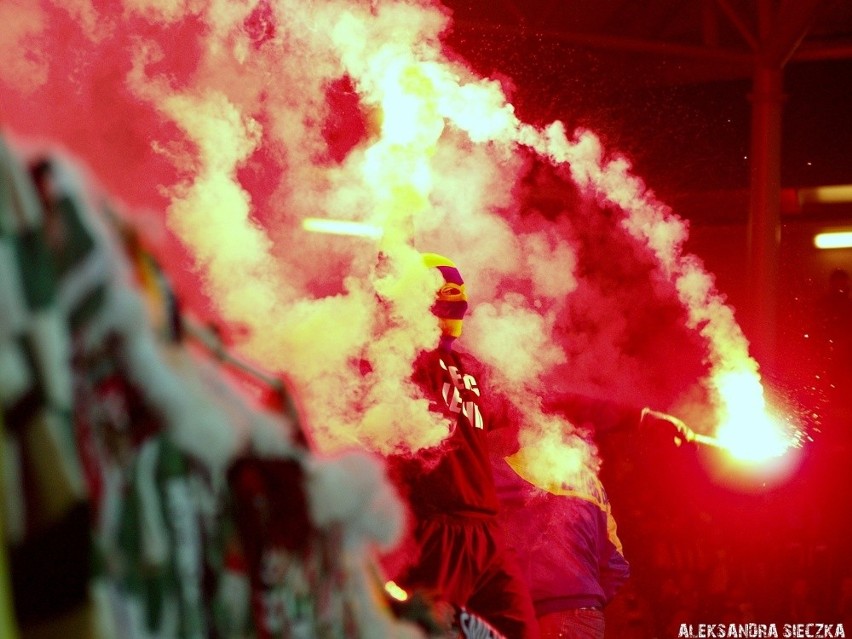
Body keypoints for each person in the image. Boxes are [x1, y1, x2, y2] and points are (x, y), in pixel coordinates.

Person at [384, 252, 539, 639]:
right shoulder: (404, 362)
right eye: (445, 301)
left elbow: (510, 429)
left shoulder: (473, 368)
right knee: (428, 631)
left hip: (486, 530)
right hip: (439, 528)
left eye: (461, 304)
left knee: (521, 632)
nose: (457, 313)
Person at [491, 394, 694, 639]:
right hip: (585, 616)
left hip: (539, 613)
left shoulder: (511, 471)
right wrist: (586, 595)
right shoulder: (593, 486)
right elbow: (616, 566)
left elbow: (467, 495)